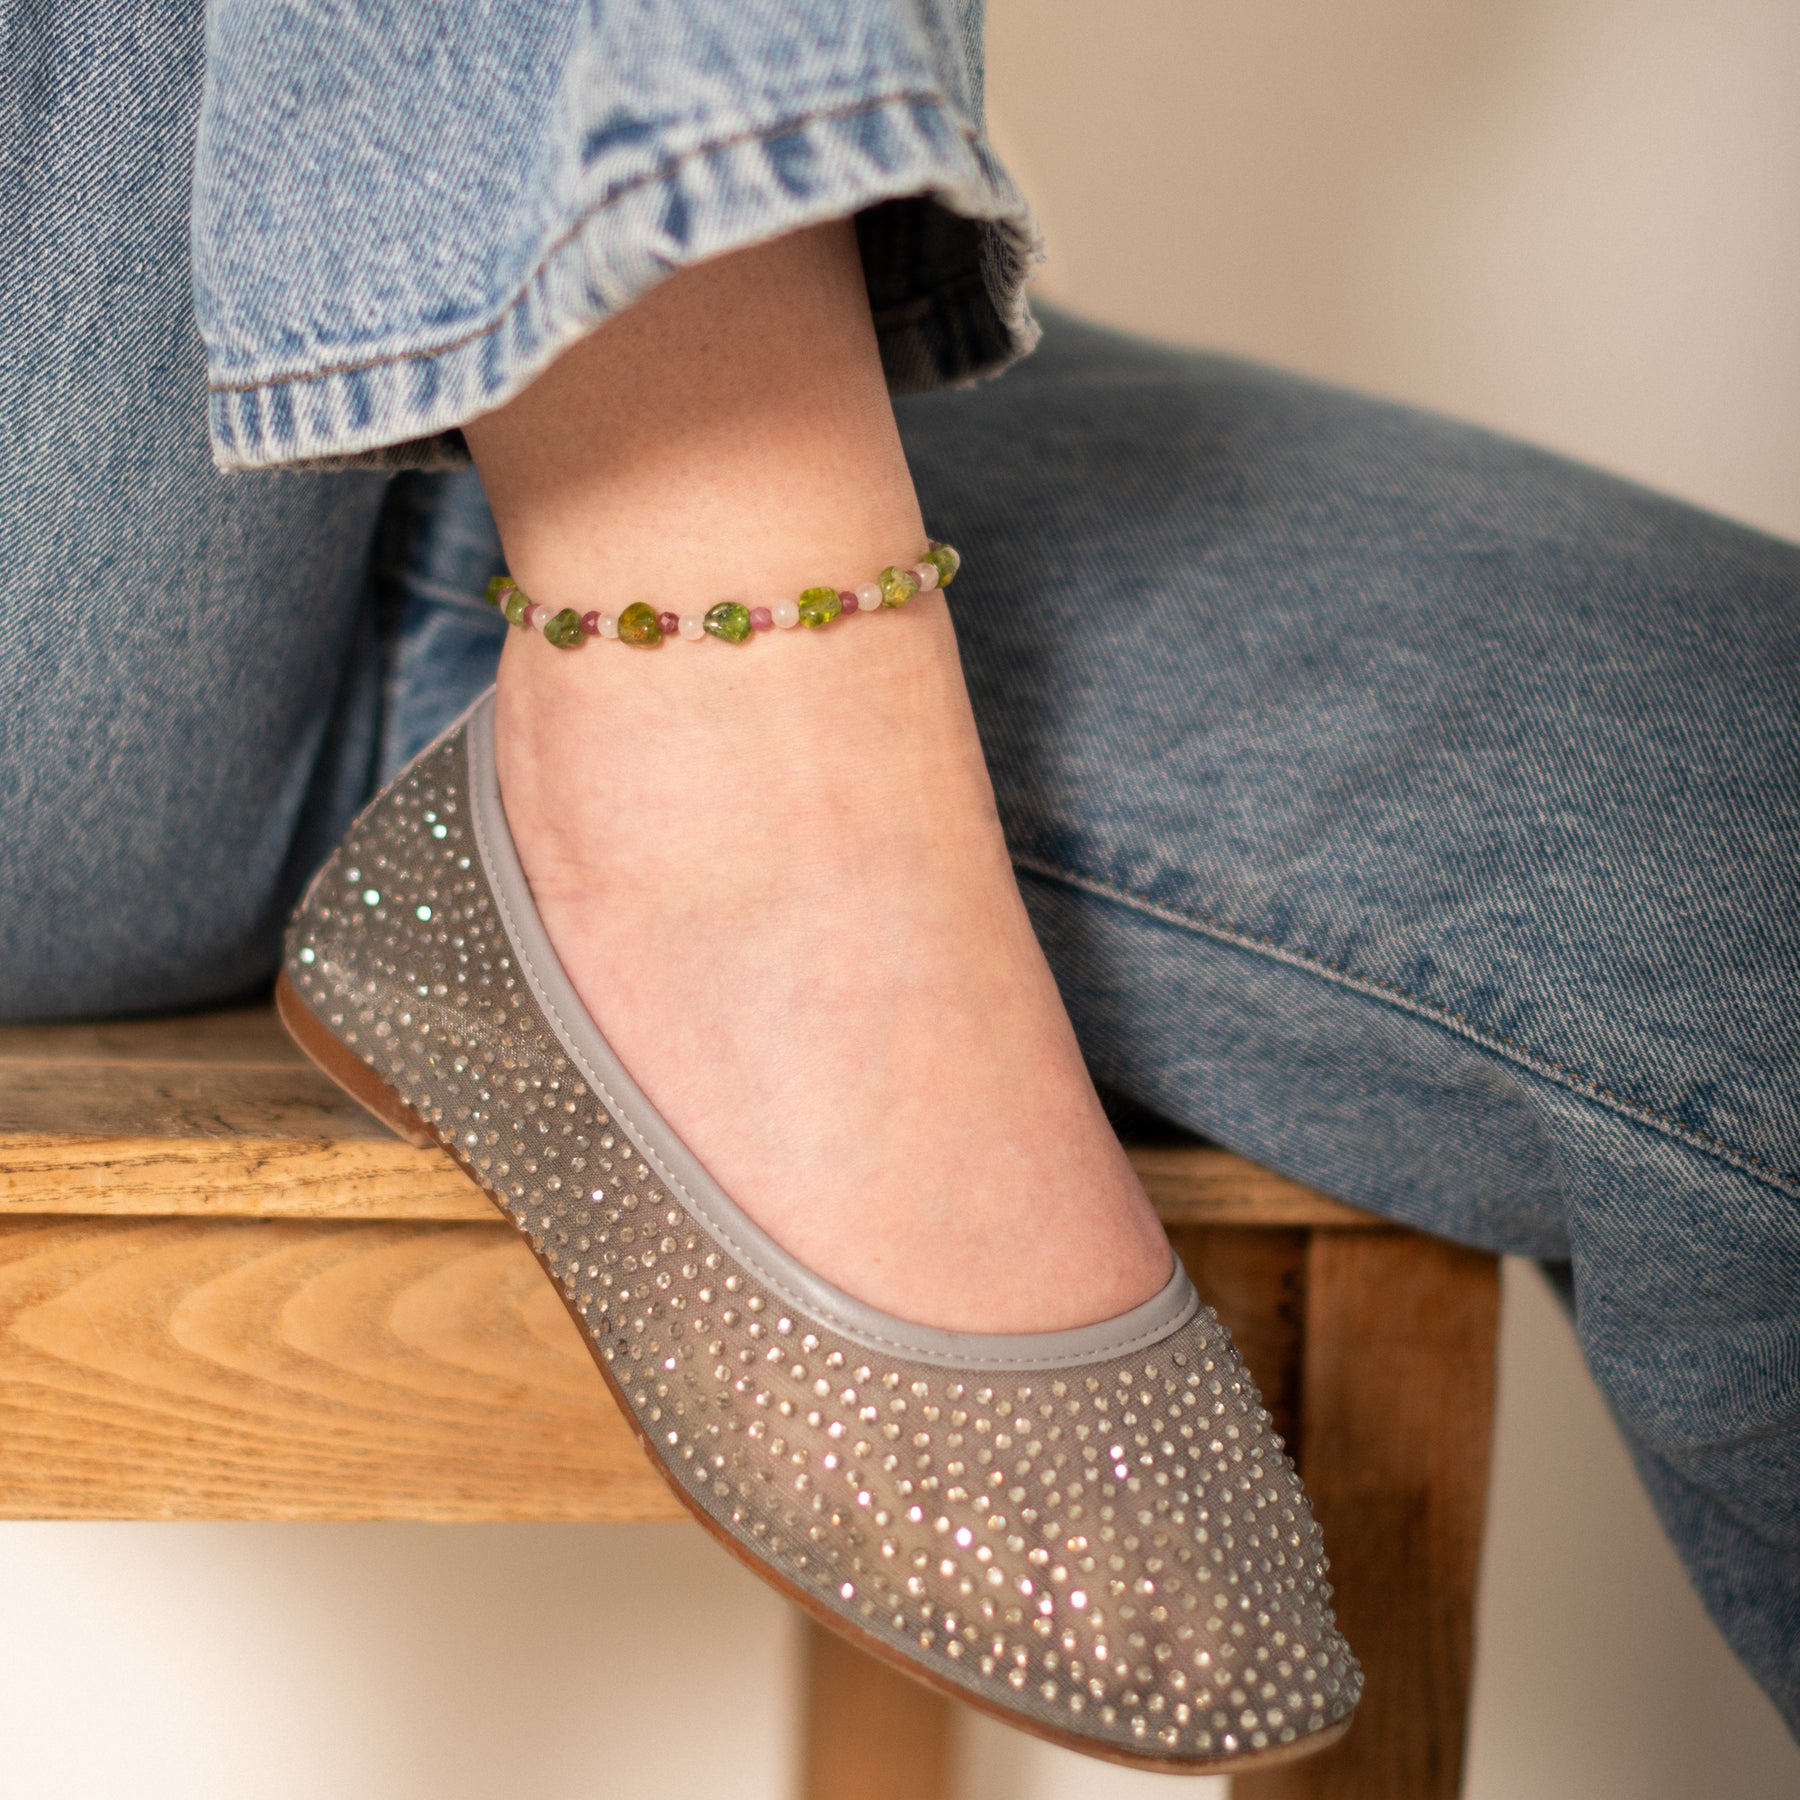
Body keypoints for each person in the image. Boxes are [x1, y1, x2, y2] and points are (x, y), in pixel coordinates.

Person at [3, 0, 1795, 1755]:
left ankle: (714, 550)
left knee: (1751, 882)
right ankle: (740, 725)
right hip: (97, 495)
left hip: (575, 297)